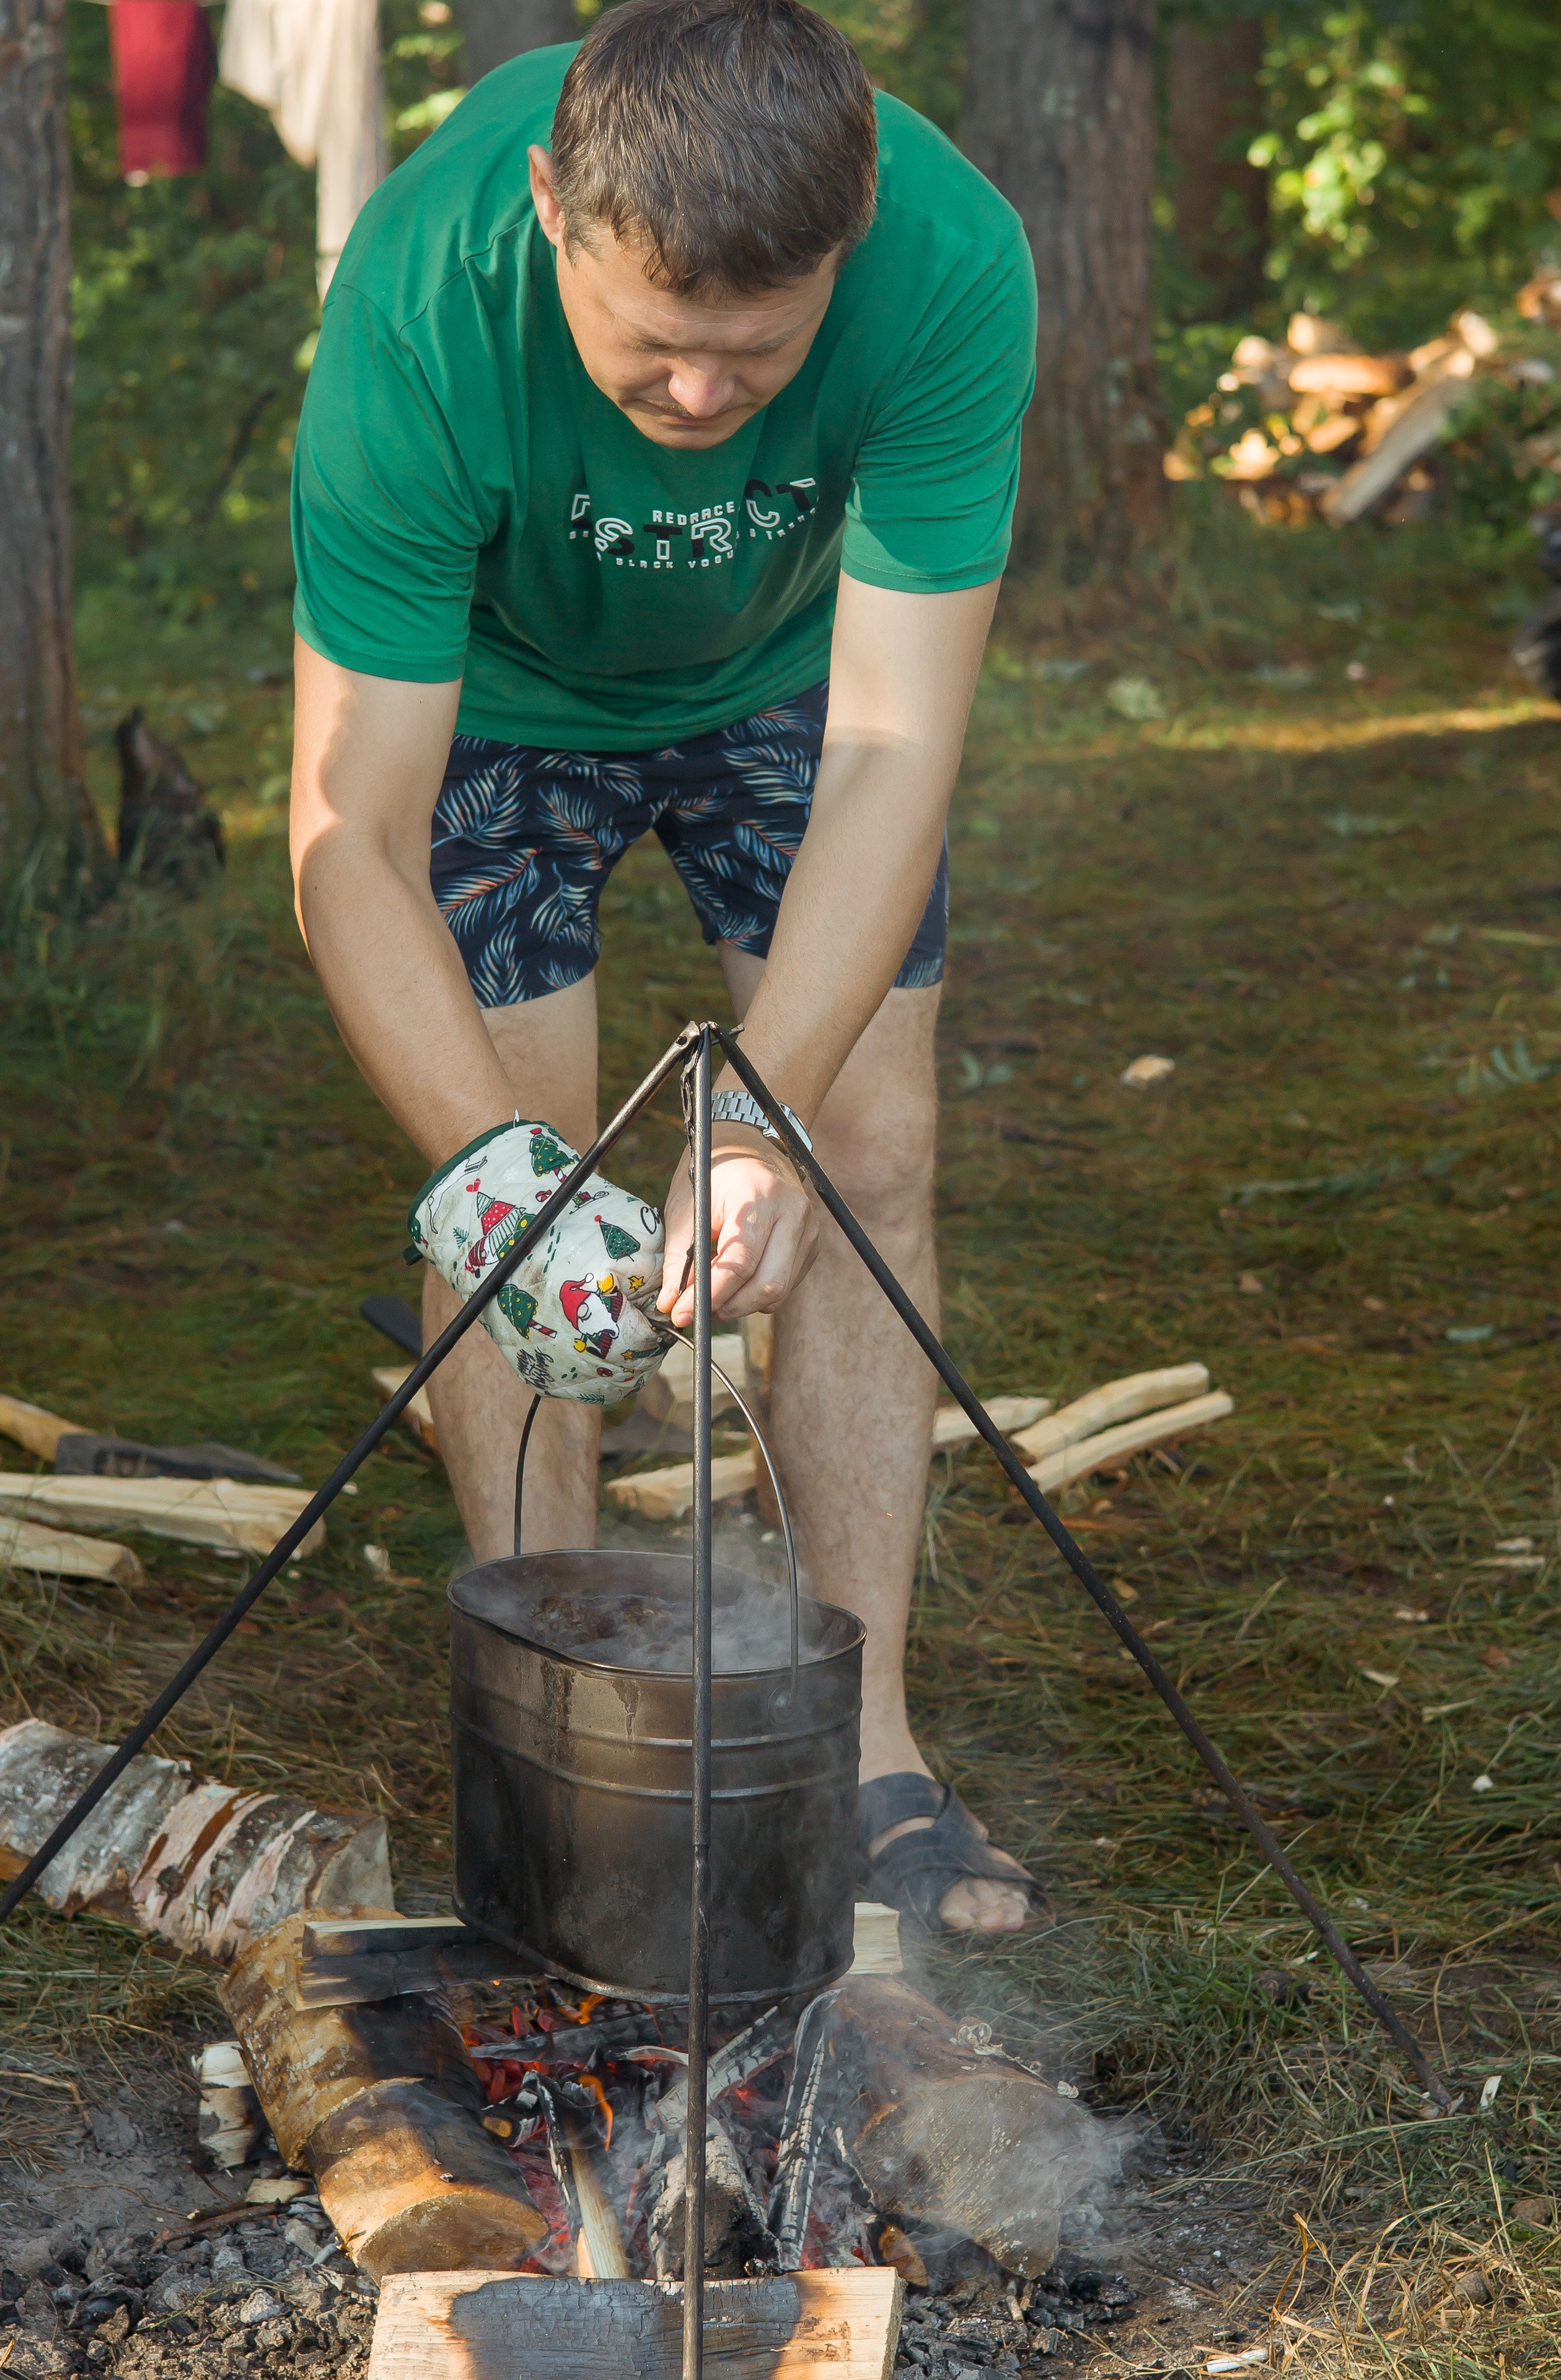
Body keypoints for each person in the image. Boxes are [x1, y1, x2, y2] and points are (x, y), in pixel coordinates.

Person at [288, 0, 1043, 1933]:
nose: (704, 396)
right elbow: (347, 833)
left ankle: (865, 1742)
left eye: (755, 354)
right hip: (496, 690)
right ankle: (569, 1741)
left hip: (799, 684)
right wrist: (485, 1171)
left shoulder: (950, 264)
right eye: (654, 345)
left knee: (865, 1148)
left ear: (850, 244)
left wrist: (763, 1127)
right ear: (553, 205)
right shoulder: (423, 297)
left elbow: (892, 751)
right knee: (527, 1195)